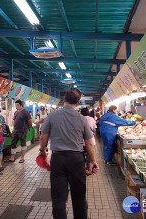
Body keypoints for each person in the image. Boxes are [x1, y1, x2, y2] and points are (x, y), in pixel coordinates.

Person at [39, 88, 99, 219]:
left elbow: (43, 137)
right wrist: (93, 161)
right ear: (77, 103)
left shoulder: (52, 116)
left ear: (64, 99)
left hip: (58, 160)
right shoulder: (81, 118)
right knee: (79, 197)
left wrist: (42, 151)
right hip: (76, 160)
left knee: (59, 198)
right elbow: (89, 142)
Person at [80, 108, 97, 176]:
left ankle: (81, 170)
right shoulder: (91, 119)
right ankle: (88, 170)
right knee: (89, 156)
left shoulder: (79, 118)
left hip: (80, 141)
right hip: (90, 141)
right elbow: (94, 129)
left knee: (81, 156)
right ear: (88, 112)